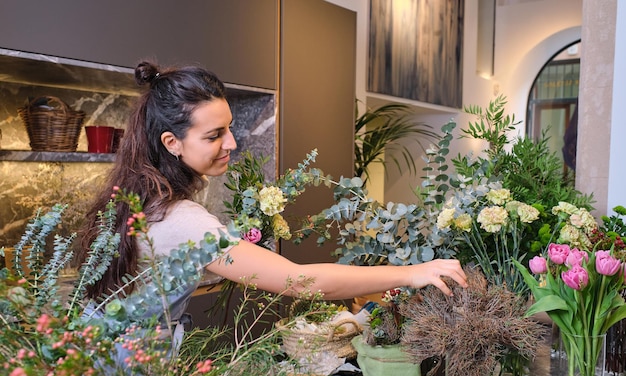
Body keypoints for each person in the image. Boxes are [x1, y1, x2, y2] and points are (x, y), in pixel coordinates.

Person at [76, 61, 467, 327]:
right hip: (127, 371)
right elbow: (299, 281)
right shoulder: (182, 220)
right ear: (172, 142)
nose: (231, 142)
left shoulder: (138, 195)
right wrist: (412, 272)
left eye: (228, 128)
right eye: (213, 135)